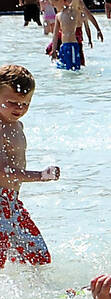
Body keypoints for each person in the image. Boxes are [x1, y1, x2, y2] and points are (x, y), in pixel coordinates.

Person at [0, 66, 59, 268]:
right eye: (12, 102)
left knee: (37, 256)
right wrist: (40, 175)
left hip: (11, 202)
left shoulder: (16, 125)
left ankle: (39, 295)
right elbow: (3, 171)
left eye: (26, 104)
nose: (19, 108)